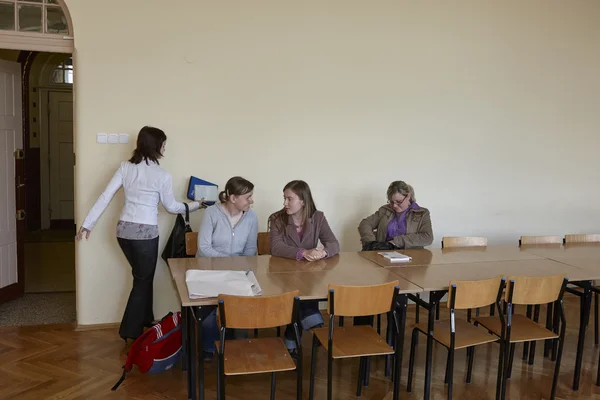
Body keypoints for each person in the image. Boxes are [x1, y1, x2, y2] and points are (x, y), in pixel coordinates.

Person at [76, 126, 201, 342]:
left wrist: (88, 224)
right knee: (142, 280)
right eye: (163, 143)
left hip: (123, 232)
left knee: (143, 276)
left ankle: (146, 318)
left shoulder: (125, 167)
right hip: (145, 235)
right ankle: (129, 331)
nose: (164, 147)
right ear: (156, 146)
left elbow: (105, 196)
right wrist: (196, 205)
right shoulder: (161, 175)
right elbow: (171, 207)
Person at [268, 180, 339, 352]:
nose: (285, 203)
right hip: (282, 275)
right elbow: (276, 247)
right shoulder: (277, 219)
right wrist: (303, 253)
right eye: (284, 198)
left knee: (303, 291)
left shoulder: (318, 217)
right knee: (298, 293)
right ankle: (313, 321)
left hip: (308, 274)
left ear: (303, 201)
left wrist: (323, 252)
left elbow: (333, 243)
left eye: (289, 199)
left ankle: (292, 339)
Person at [196, 176, 258, 359]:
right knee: (206, 310)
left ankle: (236, 345)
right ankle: (209, 346)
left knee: (243, 304)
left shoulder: (251, 216)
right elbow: (204, 248)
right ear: (233, 198)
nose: (251, 201)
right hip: (209, 270)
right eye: (248, 197)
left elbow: (250, 250)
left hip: (237, 271)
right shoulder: (211, 213)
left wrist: (236, 267)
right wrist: (230, 261)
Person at [358, 180, 433, 250]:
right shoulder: (385, 210)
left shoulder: (422, 213)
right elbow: (365, 223)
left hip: (411, 257)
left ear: (408, 196)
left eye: (399, 201)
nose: (394, 206)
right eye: (391, 201)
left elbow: (427, 237)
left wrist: (395, 242)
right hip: (383, 255)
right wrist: (371, 242)